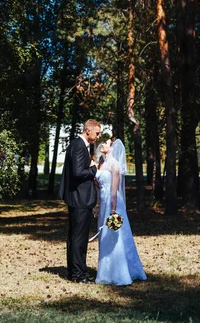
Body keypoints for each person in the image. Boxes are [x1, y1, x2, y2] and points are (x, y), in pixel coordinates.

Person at [95, 138, 147, 285]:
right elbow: (99, 185)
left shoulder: (115, 165)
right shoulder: (101, 163)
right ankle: (106, 271)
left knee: (115, 235)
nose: (103, 145)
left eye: (106, 143)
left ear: (112, 148)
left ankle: (121, 272)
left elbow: (114, 189)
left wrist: (112, 209)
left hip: (113, 203)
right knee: (104, 235)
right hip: (103, 202)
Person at [58, 118, 101, 283]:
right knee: (79, 238)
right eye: (96, 133)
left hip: (79, 199)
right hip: (80, 199)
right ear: (88, 130)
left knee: (76, 237)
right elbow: (77, 173)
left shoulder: (80, 145)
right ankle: (78, 274)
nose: (97, 136)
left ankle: (75, 272)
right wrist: (93, 169)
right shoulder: (78, 145)